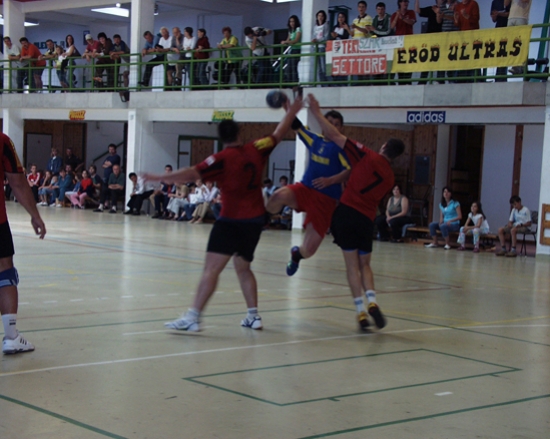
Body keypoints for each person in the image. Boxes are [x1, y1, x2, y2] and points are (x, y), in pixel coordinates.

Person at [143, 96, 303, 332]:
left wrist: (158, 177)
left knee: (211, 270)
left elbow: (191, 173)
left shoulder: (220, 159)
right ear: (240, 133)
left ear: (221, 138)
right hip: (254, 222)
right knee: (243, 268)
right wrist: (291, 111)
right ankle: (253, 316)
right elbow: (279, 132)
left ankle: (193, 317)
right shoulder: (257, 148)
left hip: (231, 222)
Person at [307, 94, 405, 331]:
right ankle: (372, 301)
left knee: (351, 267)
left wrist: (317, 113)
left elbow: (333, 135)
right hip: (366, 220)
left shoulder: (366, 155)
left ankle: (361, 312)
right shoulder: (390, 178)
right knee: (365, 265)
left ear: (383, 147)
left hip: (347, 213)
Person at [267, 109, 350, 276]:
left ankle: (296, 255)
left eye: (336, 125)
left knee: (309, 250)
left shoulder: (342, 148)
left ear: (341, 128)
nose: (332, 127)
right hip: (305, 189)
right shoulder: (315, 140)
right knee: (278, 195)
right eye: (329, 123)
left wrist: (330, 180)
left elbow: (349, 170)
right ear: (323, 124)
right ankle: (259, 220)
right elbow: (297, 126)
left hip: (325, 200)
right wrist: (289, 107)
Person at [1, 133, 46, 354]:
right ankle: (11, 337)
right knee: (4, 272)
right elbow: (17, 182)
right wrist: (35, 215)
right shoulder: (2, 141)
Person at [415, 0, 444, 84]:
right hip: (430, 38)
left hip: (441, 38)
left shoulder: (446, 9)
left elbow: (440, 21)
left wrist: (438, 13)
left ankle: (440, 80)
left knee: (441, 60)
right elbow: (418, 10)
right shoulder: (431, 8)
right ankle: (422, 81)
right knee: (427, 59)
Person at [391, 0, 417, 84]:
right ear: (400, 3)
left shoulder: (411, 12)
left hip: (409, 41)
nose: (405, 3)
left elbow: (411, 22)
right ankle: (401, 81)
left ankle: (408, 81)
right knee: (400, 61)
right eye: (403, 1)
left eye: (407, 1)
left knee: (409, 61)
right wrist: (397, 16)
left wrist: (402, 17)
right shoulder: (394, 14)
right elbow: (392, 26)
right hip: (399, 42)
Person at [506, 0, 532, 75]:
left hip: (521, 17)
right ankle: (515, 65)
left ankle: (520, 66)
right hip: (511, 17)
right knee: (511, 43)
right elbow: (506, 3)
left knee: (521, 43)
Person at [490, 0, 510, 82]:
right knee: (499, 53)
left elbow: (510, 14)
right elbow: (494, 19)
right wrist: (495, 15)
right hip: (498, 29)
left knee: (505, 53)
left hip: (508, 28)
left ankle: (502, 76)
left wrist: (499, 13)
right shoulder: (495, 2)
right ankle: (499, 76)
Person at [281, 15, 302, 84]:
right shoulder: (291, 31)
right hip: (291, 50)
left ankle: (295, 83)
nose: (292, 23)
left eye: (293, 21)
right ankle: (289, 83)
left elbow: (296, 40)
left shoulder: (298, 29)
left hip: (297, 50)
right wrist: (284, 42)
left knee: (293, 67)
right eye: (290, 22)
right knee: (288, 67)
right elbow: (288, 39)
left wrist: (286, 42)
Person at [312, 10, 330, 85]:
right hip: (316, 47)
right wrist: (314, 40)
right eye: (319, 16)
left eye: (322, 16)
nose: (320, 17)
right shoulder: (315, 27)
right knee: (318, 68)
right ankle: (322, 83)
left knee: (323, 67)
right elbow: (314, 35)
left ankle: (327, 83)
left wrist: (318, 40)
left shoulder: (325, 25)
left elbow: (326, 37)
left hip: (322, 47)